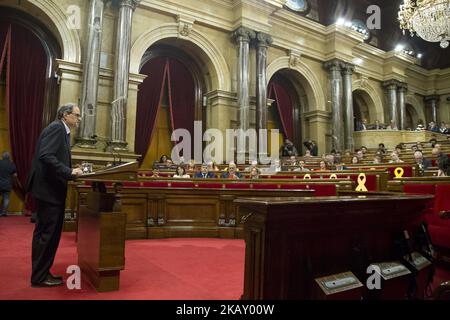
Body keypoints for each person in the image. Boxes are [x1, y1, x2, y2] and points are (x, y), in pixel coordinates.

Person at [26, 103, 83, 287]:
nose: (78, 119)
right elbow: (46, 156)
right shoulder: (57, 128)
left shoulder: (60, 129)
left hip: (48, 191)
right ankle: (40, 277)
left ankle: (42, 273)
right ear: (65, 115)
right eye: (76, 115)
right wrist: (69, 171)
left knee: (45, 233)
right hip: (49, 192)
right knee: (47, 234)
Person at [0, 152, 17, 217]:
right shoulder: (11, 164)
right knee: (6, 198)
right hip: (7, 184)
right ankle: (4, 212)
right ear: (9, 157)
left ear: (2, 156)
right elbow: (15, 175)